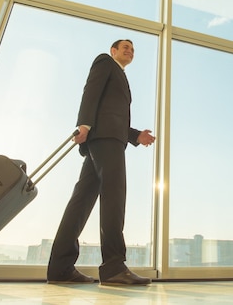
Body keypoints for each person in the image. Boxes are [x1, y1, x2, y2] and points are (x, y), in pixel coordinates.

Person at [47, 39, 155, 286]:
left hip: (106, 138)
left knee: (81, 200)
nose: (130, 50)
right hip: (104, 139)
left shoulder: (121, 76)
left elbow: (112, 114)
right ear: (113, 51)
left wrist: (135, 135)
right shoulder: (105, 62)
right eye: (125, 47)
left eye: (133, 49)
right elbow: (91, 91)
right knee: (114, 195)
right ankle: (114, 267)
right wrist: (83, 124)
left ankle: (60, 268)